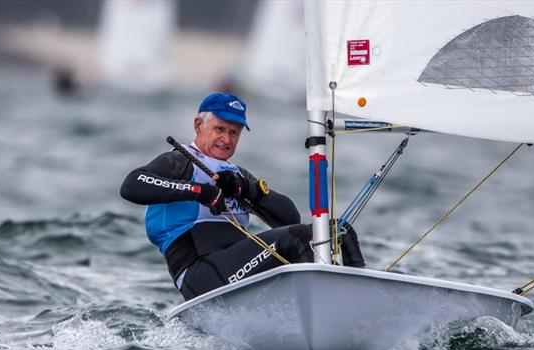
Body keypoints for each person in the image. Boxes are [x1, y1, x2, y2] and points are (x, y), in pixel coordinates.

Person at [120, 92, 364, 300]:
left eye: (234, 133)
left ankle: (361, 299)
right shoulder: (181, 161)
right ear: (198, 125)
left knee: (334, 231)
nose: (226, 139)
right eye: (219, 129)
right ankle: (333, 305)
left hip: (236, 269)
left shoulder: (235, 174)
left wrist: (246, 189)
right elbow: (131, 184)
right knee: (302, 237)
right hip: (201, 275)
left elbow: (289, 218)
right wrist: (200, 192)